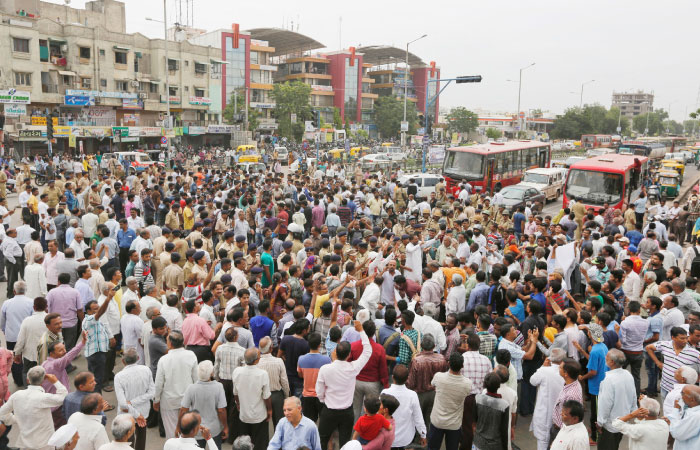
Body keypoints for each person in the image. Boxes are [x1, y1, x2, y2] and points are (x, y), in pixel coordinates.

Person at [316, 319, 372, 450]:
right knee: (345, 443)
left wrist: (324, 400)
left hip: (329, 410)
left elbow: (319, 391)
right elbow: (368, 351)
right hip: (346, 412)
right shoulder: (353, 368)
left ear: (336, 352)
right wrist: (361, 331)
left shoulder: (325, 369)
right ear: (348, 355)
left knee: (322, 440)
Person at [0, 366, 68, 449]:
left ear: (28, 380)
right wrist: (55, 381)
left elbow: (2, 413)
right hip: (44, 444)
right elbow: (63, 397)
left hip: (25, 444)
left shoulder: (16, 395)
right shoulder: (43, 397)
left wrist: (15, 419)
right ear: (43, 381)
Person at [154, 330, 199, 438]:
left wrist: (156, 400)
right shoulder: (191, 355)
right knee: (188, 432)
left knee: (171, 432)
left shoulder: (164, 360)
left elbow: (159, 383)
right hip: (187, 400)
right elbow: (196, 379)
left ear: (170, 343)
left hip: (169, 401)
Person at [178, 360, 228, 449]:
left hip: (196, 428)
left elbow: (183, 410)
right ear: (211, 373)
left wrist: (178, 427)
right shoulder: (218, 387)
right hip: (214, 429)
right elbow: (221, 410)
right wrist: (225, 427)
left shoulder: (191, 388)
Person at [427, 352, 471, 450]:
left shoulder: (438, 377)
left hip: (437, 421)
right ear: (462, 366)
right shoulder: (467, 383)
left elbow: (432, 384)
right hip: (454, 424)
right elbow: (467, 393)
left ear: (448, 363)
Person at [595, 349, 637, 450]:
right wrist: (633, 412)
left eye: (607, 357)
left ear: (612, 362)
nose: (605, 358)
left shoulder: (609, 380)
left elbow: (605, 404)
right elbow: (633, 397)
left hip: (610, 425)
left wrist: (600, 422)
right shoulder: (628, 374)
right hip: (623, 422)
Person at [113, 348, 155, 450]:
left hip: (126, 415)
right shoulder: (146, 370)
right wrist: (138, 415)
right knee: (141, 439)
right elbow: (152, 393)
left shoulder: (119, 377)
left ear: (123, 361)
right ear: (138, 358)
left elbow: (123, 405)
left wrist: (131, 403)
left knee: (127, 442)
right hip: (143, 411)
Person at [232, 347, 272, 450]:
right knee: (260, 444)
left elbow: (235, 393)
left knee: (244, 445)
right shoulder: (262, 374)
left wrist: (238, 404)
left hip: (244, 414)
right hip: (259, 415)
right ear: (257, 360)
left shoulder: (237, 371)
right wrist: (270, 410)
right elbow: (266, 396)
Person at [380, 364, 427, 450]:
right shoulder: (412, 395)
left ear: (393, 377)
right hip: (406, 439)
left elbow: (379, 415)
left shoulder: (384, 393)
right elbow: (418, 418)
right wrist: (423, 434)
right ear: (407, 378)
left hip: (388, 439)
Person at [529, 348, 566, 450]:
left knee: (542, 443)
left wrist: (542, 367)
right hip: (560, 414)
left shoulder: (544, 371)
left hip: (544, 413)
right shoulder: (566, 372)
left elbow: (532, 381)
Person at [666, 384, 700, 449]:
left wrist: (675, 411)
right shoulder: (690, 408)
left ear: (692, 400)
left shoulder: (695, 416)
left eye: (682, 393)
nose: (680, 396)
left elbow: (677, 433)